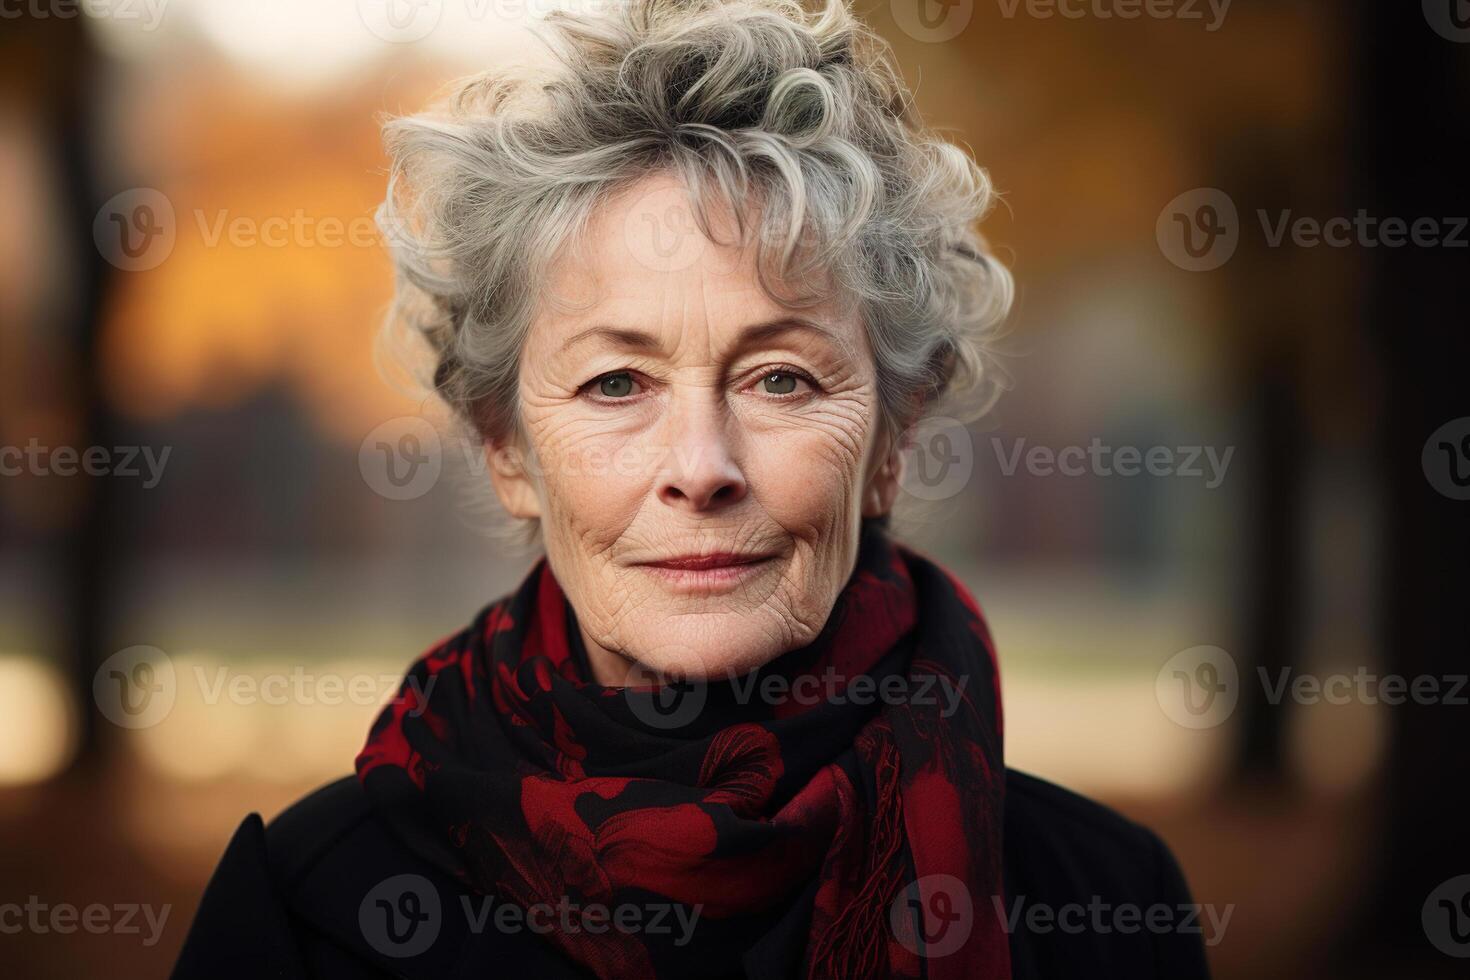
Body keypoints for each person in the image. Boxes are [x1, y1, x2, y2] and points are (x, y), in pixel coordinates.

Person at [172, 1, 1210, 976]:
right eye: (617, 381)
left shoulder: (1107, 907)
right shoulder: (311, 913)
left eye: (780, 378)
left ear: (892, 440)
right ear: (506, 449)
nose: (702, 465)